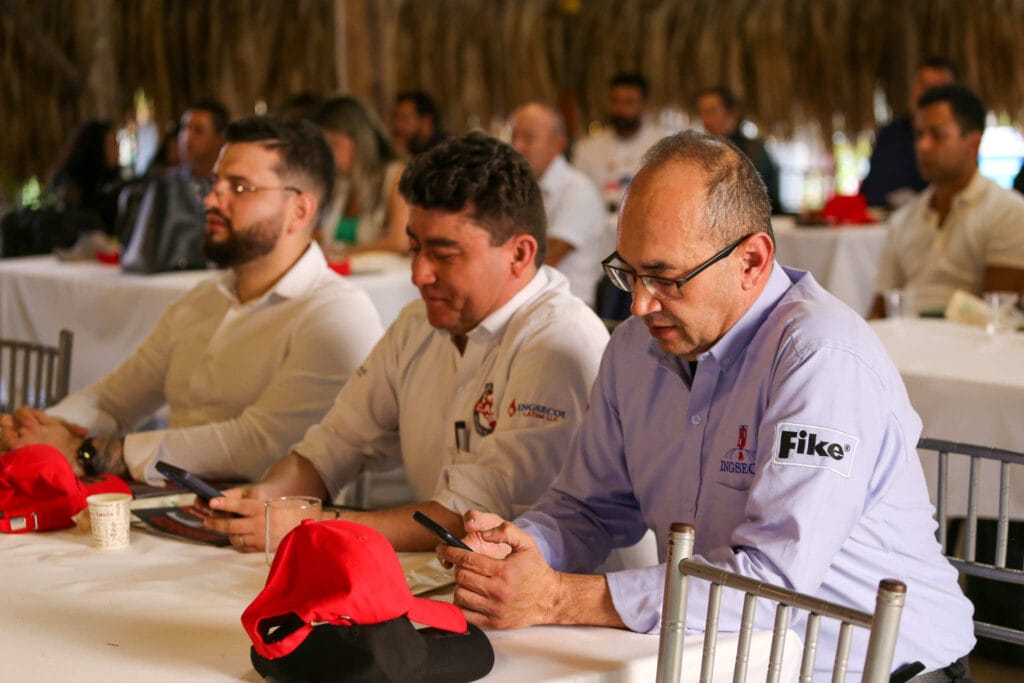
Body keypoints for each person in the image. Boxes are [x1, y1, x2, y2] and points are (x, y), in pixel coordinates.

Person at [439, 131, 976, 681]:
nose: (641, 304)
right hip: (721, 658)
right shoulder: (633, 349)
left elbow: (769, 586)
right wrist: (522, 549)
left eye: (667, 278)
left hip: (878, 669)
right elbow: (589, 508)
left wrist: (556, 597)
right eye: (628, 272)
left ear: (752, 260)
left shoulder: (820, 359)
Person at [203, 132, 609, 552]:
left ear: (520, 255)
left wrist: (315, 525)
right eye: (414, 248)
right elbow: (332, 446)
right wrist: (268, 503)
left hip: (572, 606)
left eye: (444, 254)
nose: (419, 274)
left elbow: (475, 517)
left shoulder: (558, 341)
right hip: (461, 583)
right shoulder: (418, 323)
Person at [0, 116, 384, 485]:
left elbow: (259, 447)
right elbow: (113, 400)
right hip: (172, 513)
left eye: (239, 187)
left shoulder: (335, 313)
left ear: (299, 211)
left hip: (272, 536)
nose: (211, 200)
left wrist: (87, 452)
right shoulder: (203, 300)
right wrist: (41, 429)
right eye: (215, 182)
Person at [870, 84, 1024, 318]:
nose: (922, 146)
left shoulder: (1008, 212)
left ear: (973, 142)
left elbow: (998, 312)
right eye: (919, 134)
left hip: (974, 348)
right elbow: (881, 308)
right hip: (903, 346)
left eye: (937, 135)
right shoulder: (904, 218)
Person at [510, 102, 605, 307]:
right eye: (514, 137)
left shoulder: (577, 189)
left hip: (567, 309)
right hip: (528, 302)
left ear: (558, 143)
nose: (517, 146)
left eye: (528, 138)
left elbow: (543, 258)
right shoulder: (521, 188)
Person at [310, 96, 410, 257]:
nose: (327, 154)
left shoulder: (395, 176)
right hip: (348, 276)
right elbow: (323, 234)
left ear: (360, 140)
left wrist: (341, 253)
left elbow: (400, 242)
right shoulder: (342, 184)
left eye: (334, 144)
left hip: (387, 279)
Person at [860, 57, 960, 209]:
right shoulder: (891, 135)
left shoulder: (959, 140)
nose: (924, 146)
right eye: (924, 86)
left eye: (937, 89)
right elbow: (873, 191)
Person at [697, 86, 781, 213]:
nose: (705, 119)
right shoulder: (701, 152)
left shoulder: (754, 150)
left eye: (711, 111)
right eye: (702, 113)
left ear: (733, 113)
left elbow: (768, 198)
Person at [49, 119, 123, 233]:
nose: (118, 150)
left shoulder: (112, 182)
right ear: (97, 148)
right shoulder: (72, 187)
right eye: (113, 144)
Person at [392, 90, 447, 155]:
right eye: (396, 118)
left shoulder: (445, 151)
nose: (398, 125)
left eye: (404, 119)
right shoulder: (417, 149)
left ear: (426, 121)